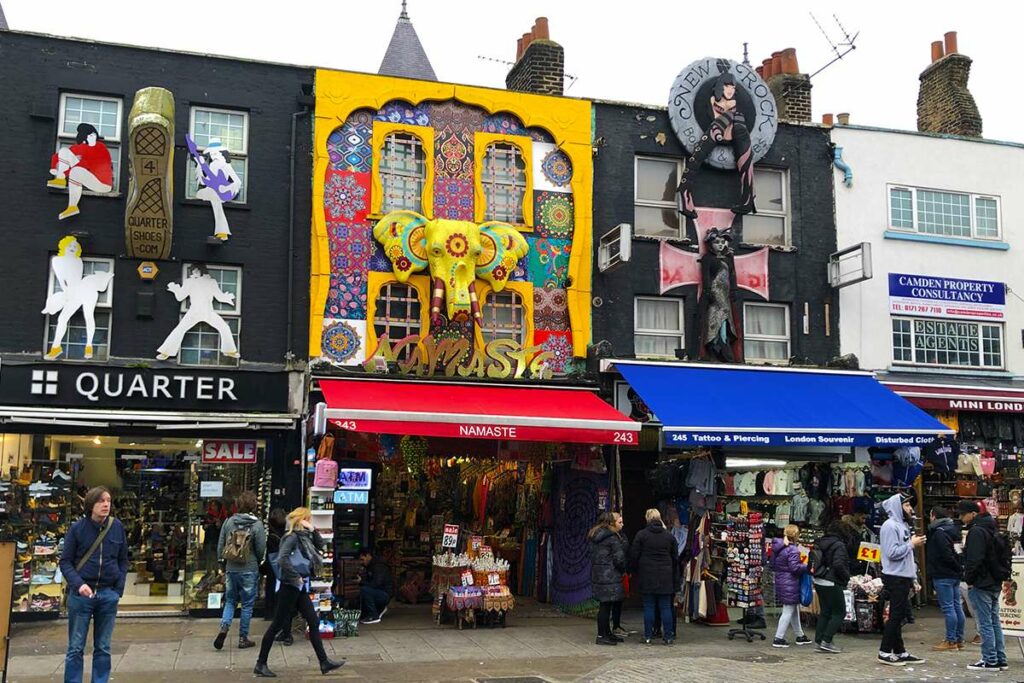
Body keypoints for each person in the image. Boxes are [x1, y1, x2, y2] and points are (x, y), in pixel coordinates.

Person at [254, 508, 343, 678]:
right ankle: (260, 663)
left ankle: (324, 662)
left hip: (298, 588)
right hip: (290, 586)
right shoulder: (292, 537)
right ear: (301, 519)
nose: (310, 521)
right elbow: (282, 559)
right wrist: (296, 578)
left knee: (313, 621)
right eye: (308, 519)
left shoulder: (304, 537)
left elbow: (321, 545)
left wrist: (312, 529)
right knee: (276, 625)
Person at [58, 486, 129, 683]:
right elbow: (65, 562)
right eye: (101, 501)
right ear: (91, 505)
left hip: (108, 595)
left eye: (108, 501)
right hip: (82, 596)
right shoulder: (78, 529)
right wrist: (78, 584)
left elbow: (123, 559)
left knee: (103, 647)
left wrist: (118, 589)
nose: (106, 504)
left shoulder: (117, 527)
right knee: (75, 647)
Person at [960, 500, 1010, 672]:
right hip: (995, 580)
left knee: (985, 623)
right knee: (995, 621)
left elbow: (975, 559)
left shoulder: (976, 532)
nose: (961, 517)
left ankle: (990, 659)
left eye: (963, 514)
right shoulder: (993, 529)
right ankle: (1000, 658)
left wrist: (969, 578)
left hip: (981, 582)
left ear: (973, 514)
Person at [214, 491, 268, 651]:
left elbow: (221, 544)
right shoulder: (257, 525)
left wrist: (221, 563)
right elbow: (260, 548)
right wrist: (257, 562)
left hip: (231, 568)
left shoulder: (229, 522)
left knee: (230, 601)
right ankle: (243, 638)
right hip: (249, 569)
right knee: (247, 605)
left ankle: (224, 627)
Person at [878, 493, 926, 666]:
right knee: (896, 615)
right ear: (897, 507)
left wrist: (913, 578)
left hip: (903, 576)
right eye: (906, 505)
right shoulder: (890, 526)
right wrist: (912, 544)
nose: (910, 509)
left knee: (899, 615)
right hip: (895, 576)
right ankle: (884, 651)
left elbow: (908, 556)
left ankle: (899, 651)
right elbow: (892, 553)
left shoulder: (902, 526)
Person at [630, 508, 679, 645]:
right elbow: (675, 557)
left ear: (647, 519)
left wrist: (633, 570)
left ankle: (648, 636)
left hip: (647, 575)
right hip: (665, 576)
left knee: (649, 606)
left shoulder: (641, 535)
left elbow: (634, 555)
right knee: (665, 607)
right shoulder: (669, 536)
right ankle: (668, 636)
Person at [48, 122, 114, 220]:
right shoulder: (80, 148)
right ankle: (61, 180)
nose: (92, 137)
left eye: (93, 134)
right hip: (88, 177)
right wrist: (55, 168)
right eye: (89, 135)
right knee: (64, 151)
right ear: (84, 137)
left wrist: (79, 160)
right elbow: (57, 156)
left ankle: (72, 206)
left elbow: (95, 165)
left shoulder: (101, 147)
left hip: (102, 183)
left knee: (76, 171)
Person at [925, 505, 964, 652]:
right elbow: (959, 551)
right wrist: (959, 567)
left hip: (943, 573)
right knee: (956, 606)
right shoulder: (954, 530)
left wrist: (952, 565)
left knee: (948, 608)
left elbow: (945, 555)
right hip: (954, 574)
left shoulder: (939, 533)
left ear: (934, 516)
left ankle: (951, 640)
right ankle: (958, 638)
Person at [811, 521, 851, 654]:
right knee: (839, 612)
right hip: (832, 580)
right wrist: (846, 577)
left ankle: (819, 641)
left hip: (818, 579)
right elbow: (839, 564)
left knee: (826, 612)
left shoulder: (820, 542)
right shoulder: (839, 545)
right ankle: (827, 641)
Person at [589, 511, 627, 645]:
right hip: (610, 575)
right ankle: (602, 635)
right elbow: (619, 558)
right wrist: (623, 570)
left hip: (598, 574)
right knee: (606, 606)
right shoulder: (612, 538)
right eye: (619, 522)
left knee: (604, 605)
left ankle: (606, 633)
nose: (622, 525)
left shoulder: (595, 536)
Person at [770, 524, 811, 648]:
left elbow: (772, 564)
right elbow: (794, 568)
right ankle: (778, 637)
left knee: (793, 609)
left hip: (781, 580)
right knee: (788, 610)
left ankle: (800, 635)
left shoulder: (778, 548)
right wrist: (807, 567)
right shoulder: (793, 549)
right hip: (791, 582)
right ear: (796, 535)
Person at [357, 548, 393, 624]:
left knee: (365, 590)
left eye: (362, 559)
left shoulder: (379, 566)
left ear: (368, 556)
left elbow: (376, 583)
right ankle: (378, 609)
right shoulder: (371, 566)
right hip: (380, 592)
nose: (361, 562)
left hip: (384, 594)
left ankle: (374, 616)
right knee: (362, 592)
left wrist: (362, 581)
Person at [264, 508, 287, 624]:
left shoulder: (272, 536)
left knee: (271, 587)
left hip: (273, 567)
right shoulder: (287, 534)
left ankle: (269, 612)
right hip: (285, 567)